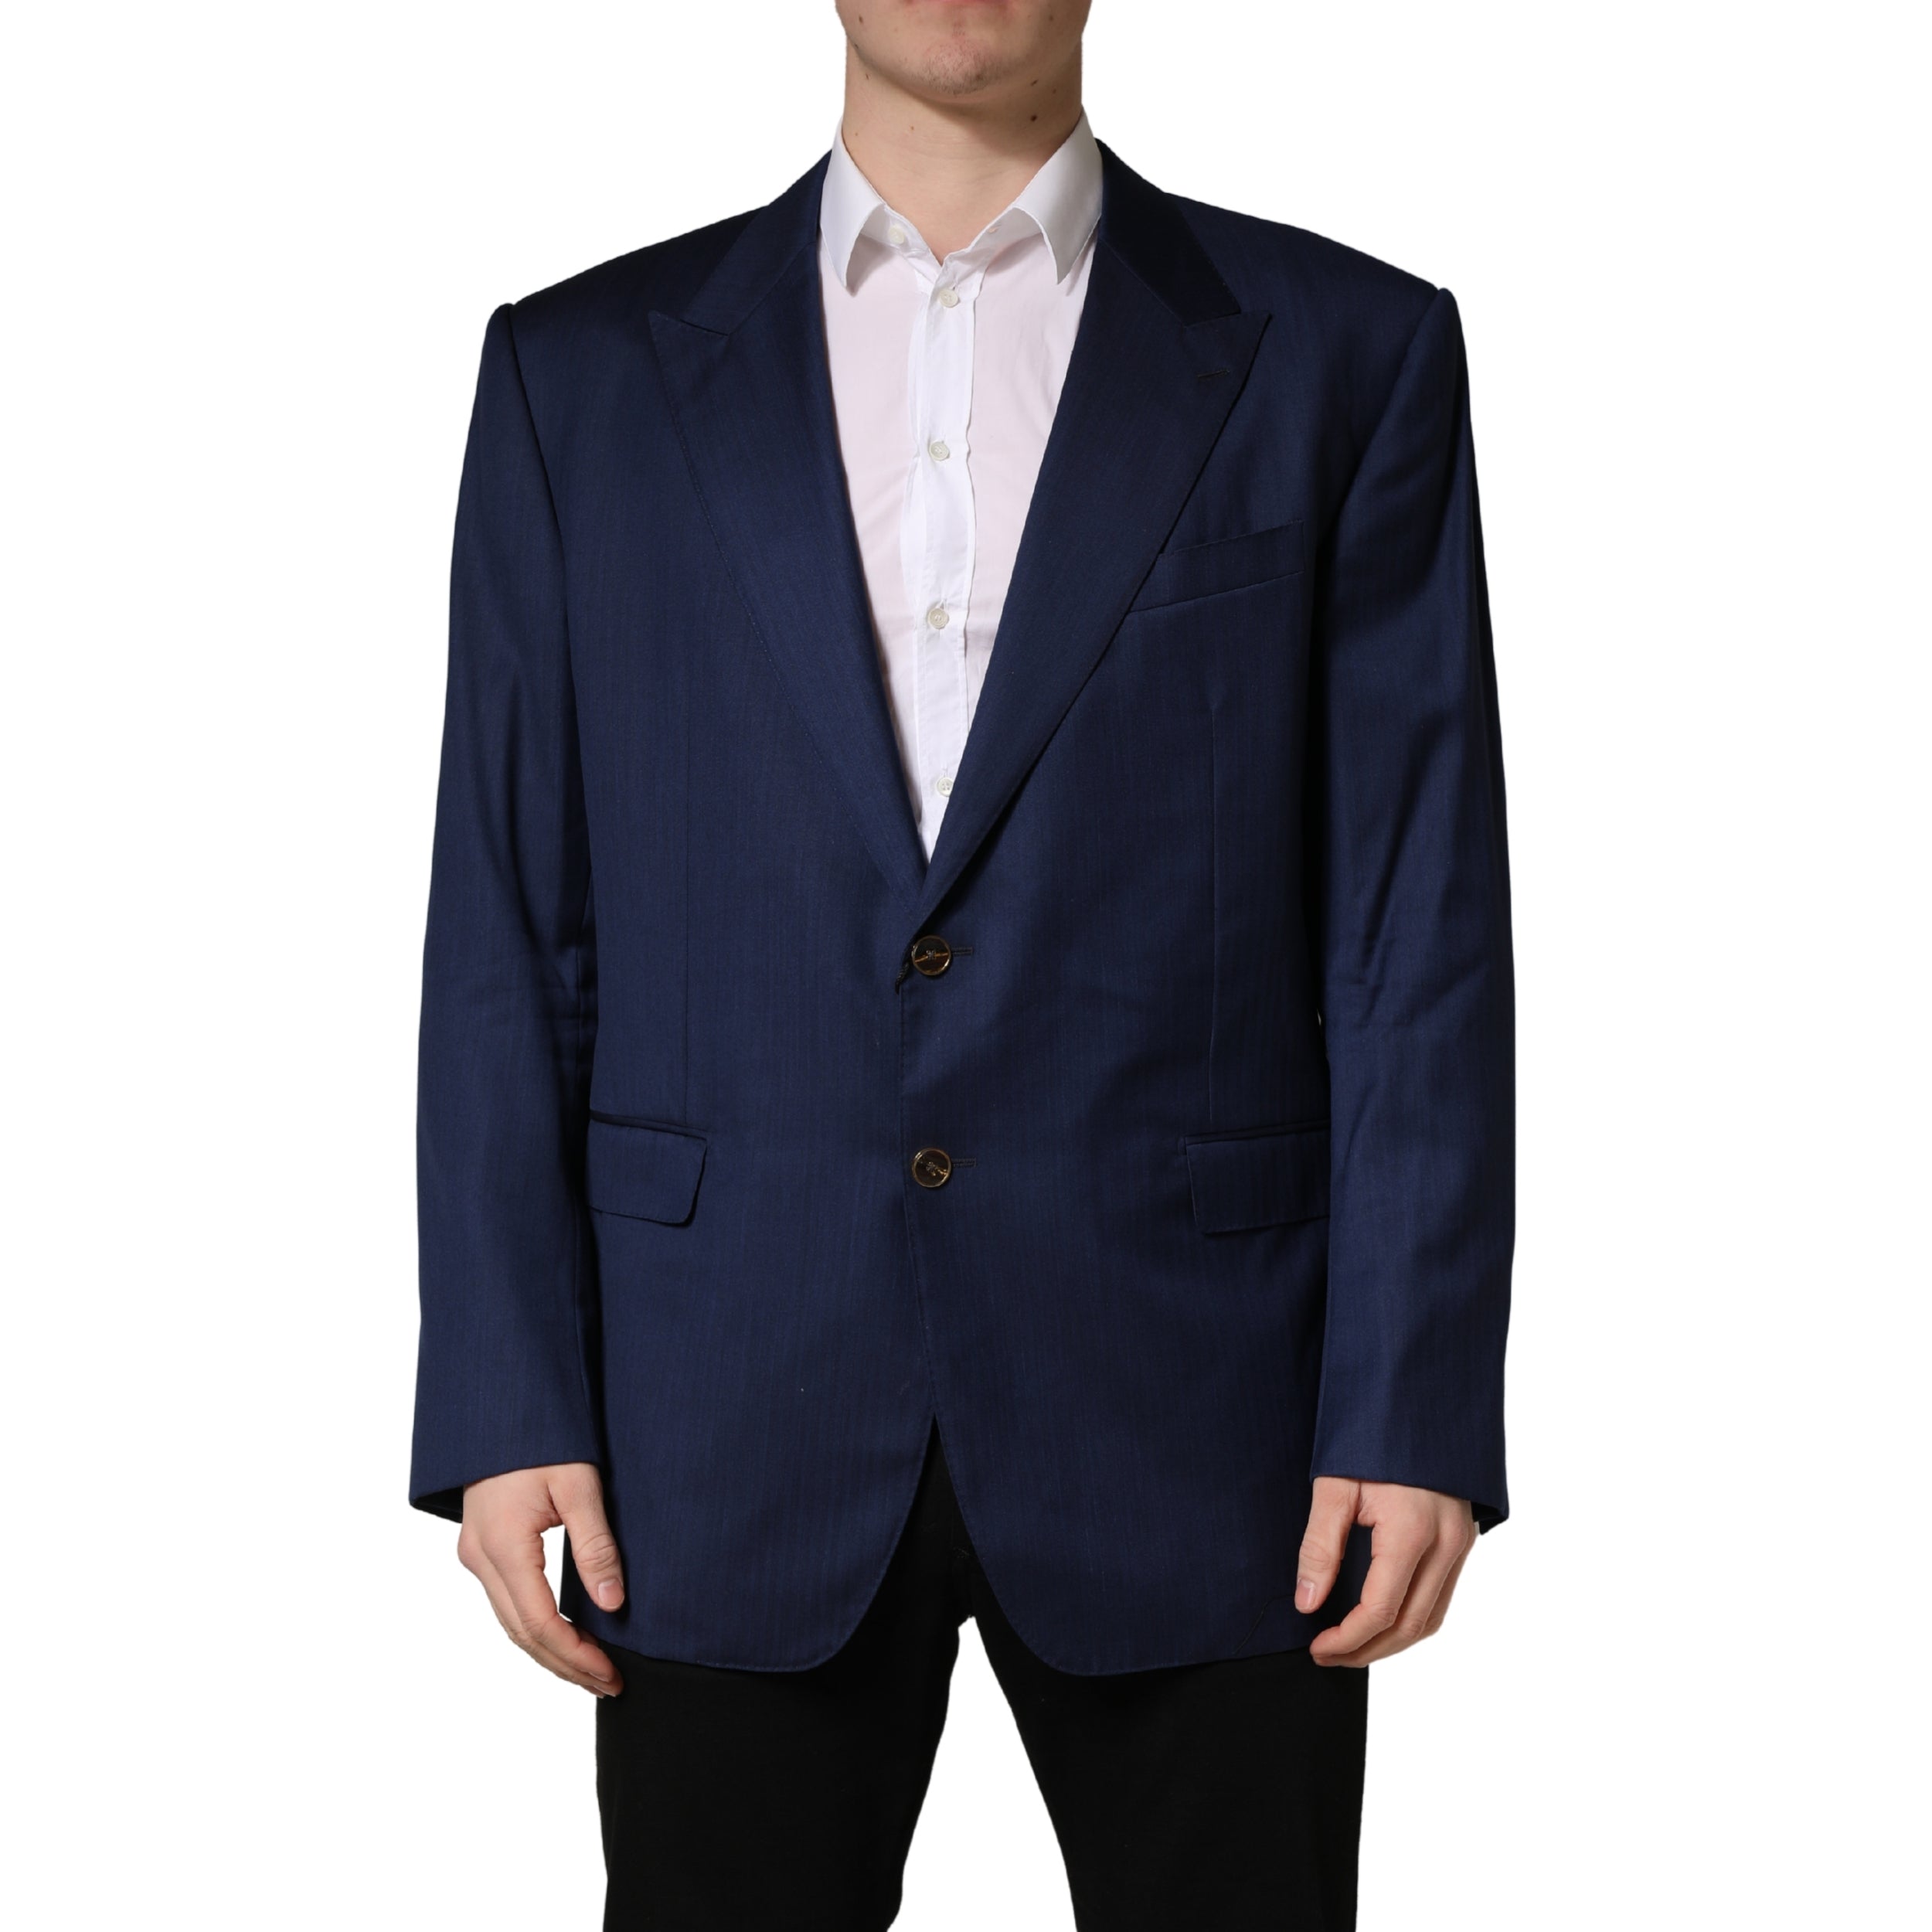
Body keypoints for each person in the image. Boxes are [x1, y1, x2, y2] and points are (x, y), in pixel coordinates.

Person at [410, 2, 1515, 1924]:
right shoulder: (576, 374)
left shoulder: (1344, 350)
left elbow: (1411, 913)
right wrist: (507, 1391)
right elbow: (509, 914)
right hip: (718, 1399)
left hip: (1209, 1404)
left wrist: (1409, 1394)